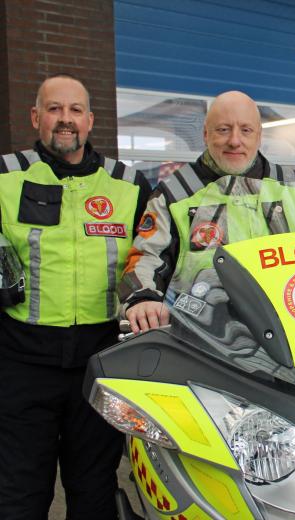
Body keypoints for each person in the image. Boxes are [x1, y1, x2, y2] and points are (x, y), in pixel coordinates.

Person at [0, 73, 151, 518]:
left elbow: (150, 256)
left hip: (98, 363)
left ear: (90, 120)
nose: (65, 119)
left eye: (74, 110)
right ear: (35, 117)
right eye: (54, 109)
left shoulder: (129, 184)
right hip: (22, 362)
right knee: (19, 494)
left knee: (94, 491)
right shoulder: (5, 176)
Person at [120, 90, 295, 333]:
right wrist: (143, 298)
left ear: (259, 136)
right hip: (203, 336)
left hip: (291, 329)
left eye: (246, 130)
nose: (235, 140)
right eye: (223, 129)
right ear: (206, 134)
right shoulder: (175, 193)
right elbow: (146, 257)